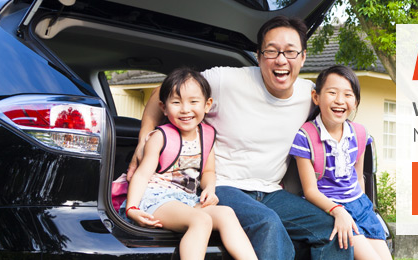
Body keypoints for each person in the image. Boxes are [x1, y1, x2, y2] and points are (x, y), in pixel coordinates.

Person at [129, 16, 352, 259]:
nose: (281, 60)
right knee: (267, 224)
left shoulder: (310, 95)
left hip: (271, 191)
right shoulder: (225, 80)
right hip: (224, 186)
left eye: (290, 52)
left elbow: (340, 117)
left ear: (303, 57)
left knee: (332, 230)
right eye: (272, 51)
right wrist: (143, 139)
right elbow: (161, 92)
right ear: (259, 55)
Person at [124, 68, 257, 260]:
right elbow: (142, 175)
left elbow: (208, 170)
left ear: (207, 104)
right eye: (176, 103)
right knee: (202, 220)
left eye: (193, 102)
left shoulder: (207, 135)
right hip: (157, 199)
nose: (185, 109)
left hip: (186, 200)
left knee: (226, 213)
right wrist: (132, 208)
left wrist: (210, 189)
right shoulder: (160, 137)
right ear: (164, 107)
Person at [290, 66, 392, 260]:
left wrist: (366, 207)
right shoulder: (305, 137)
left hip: (360, 207)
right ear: (316, 97)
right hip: (329, 207)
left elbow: (359, 177)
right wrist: (338, 212)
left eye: (348, 94)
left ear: (355, 102)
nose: (339, 100)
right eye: (332, 92)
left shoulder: (360, 134)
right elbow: (310, 191)